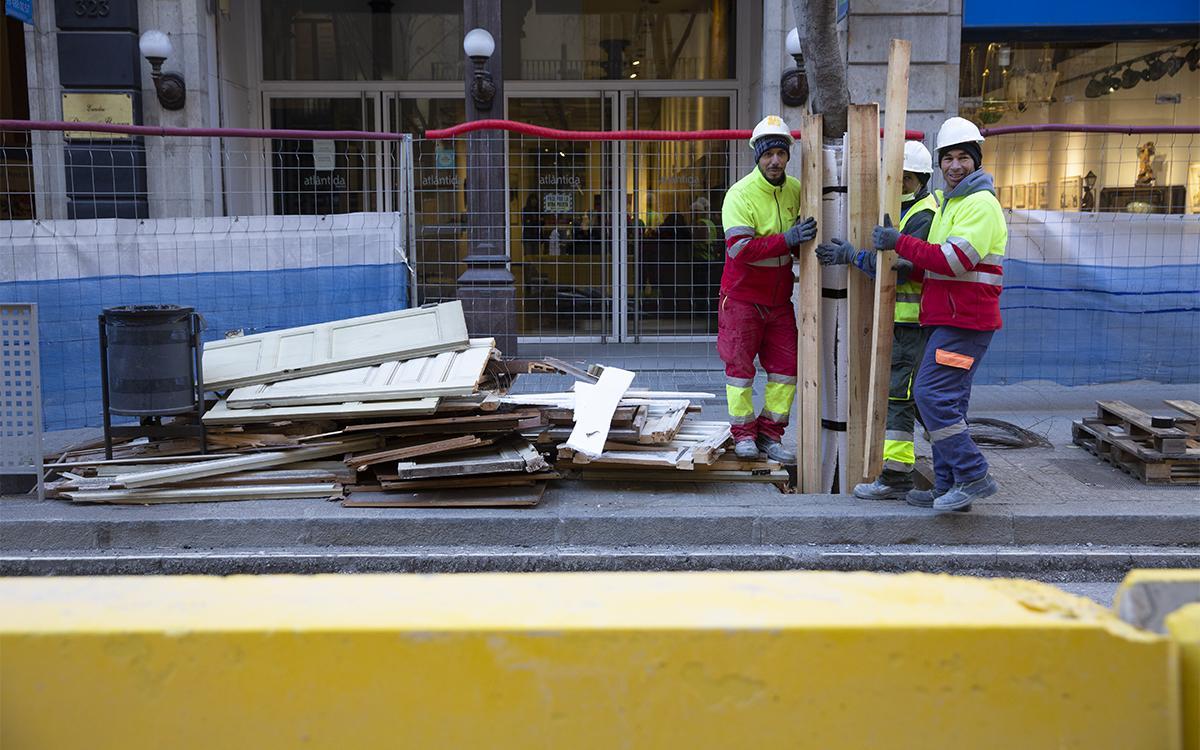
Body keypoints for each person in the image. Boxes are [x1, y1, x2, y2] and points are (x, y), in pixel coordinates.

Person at [870, 116, 1007, 512]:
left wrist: (901, 243)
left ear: (976, 161)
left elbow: (954, 260)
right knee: (949, 402)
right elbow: (932, 263)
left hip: (965, 323)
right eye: (948, 158)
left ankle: (973, 474)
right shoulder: (953, 203)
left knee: (931, 395)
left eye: (964, 157)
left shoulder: (980, 205)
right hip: (950, 320)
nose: (955, 165)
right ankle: (948, 485)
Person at [815, 140, 937, 500]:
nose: (896, 185)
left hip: (911, 325)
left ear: (916, 179)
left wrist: (853, 256)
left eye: (903, 179)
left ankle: (898, 477)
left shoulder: (922, 217)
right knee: (919, 399)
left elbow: (896, 270)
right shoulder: (912, 210)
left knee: (900, 399)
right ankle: (951, 465)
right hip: (904, 324)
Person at [719, 115, 817, 462]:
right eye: (768, 154)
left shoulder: (795, 190)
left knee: (785, 371)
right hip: (743, 300)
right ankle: (743, 434)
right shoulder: (740, 195)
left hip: (778, 302)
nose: (775, 160)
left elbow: (796, 242)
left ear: (788, 155)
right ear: (757, 156)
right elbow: (740, 249)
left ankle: (770, 435)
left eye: (780, 153)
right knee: (740, 372)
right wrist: (788, 239)